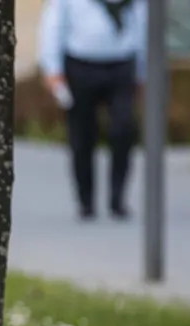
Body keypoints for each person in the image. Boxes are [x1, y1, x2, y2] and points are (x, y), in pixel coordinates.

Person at [38, 0, 147, 220]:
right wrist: (52, 68)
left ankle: (117, 199)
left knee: (123, 129)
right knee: (82, 136)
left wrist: (143, 71)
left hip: (122, 64)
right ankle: (86, 201)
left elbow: (144, 25)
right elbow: (53, 24)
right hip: (80, 64)